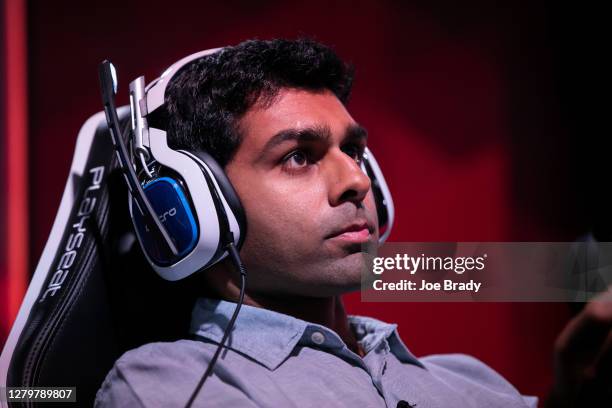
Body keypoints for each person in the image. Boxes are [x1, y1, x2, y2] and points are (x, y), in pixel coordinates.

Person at [94, 38, 612, 407]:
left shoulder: (470, 379)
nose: (357, 181)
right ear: (194, 205)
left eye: (356, 151)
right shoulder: (168, 383)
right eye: (299, 156)